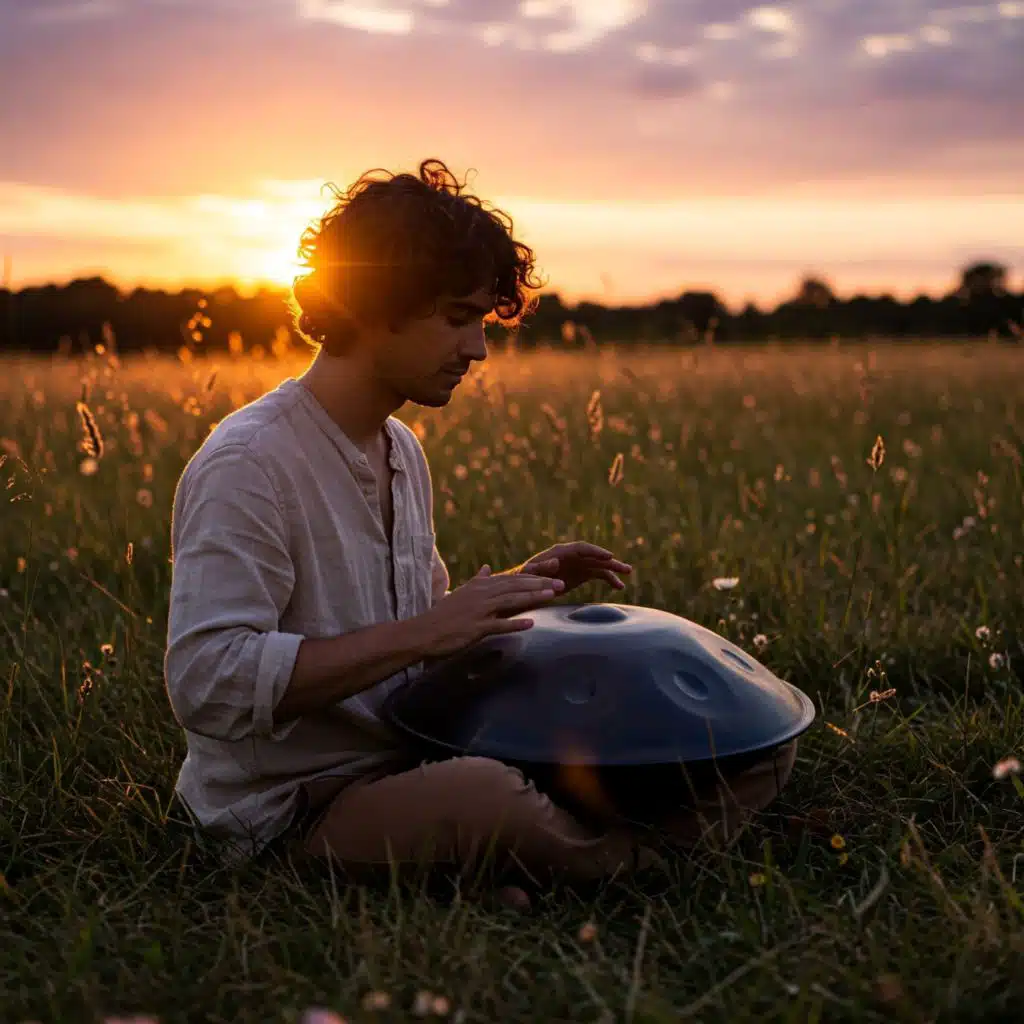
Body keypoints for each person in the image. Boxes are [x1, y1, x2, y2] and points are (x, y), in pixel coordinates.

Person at [164, 158, 797, 911]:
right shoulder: (249, 462)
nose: (478, 350)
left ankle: (523, 867)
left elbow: (413, 642)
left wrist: (507, 595)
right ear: (373, 303)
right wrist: (427, 632)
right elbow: (207, 680)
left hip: (412, 759)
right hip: (295, 806)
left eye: (483, 323)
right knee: (487, 797)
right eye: (457, 318)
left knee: (760, 743)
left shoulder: (401, 450)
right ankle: (627, 859)